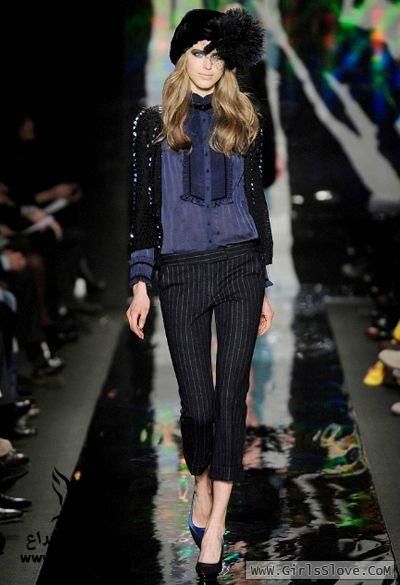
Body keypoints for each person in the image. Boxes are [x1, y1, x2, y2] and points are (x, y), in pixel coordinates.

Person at [126, 7, 275, 578]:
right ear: (181, 57)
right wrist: (141, 281)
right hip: (181, 272)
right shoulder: (151, 125)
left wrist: (263, 281)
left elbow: (255, 201)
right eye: (198, 53)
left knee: (233, 394)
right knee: (197, 403)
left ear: (227, 61)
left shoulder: (245, 118)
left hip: (240, 267)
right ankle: (202, 484)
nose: (208, 64)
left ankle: (216, 527)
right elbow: (143, 209)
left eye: (216, 55)